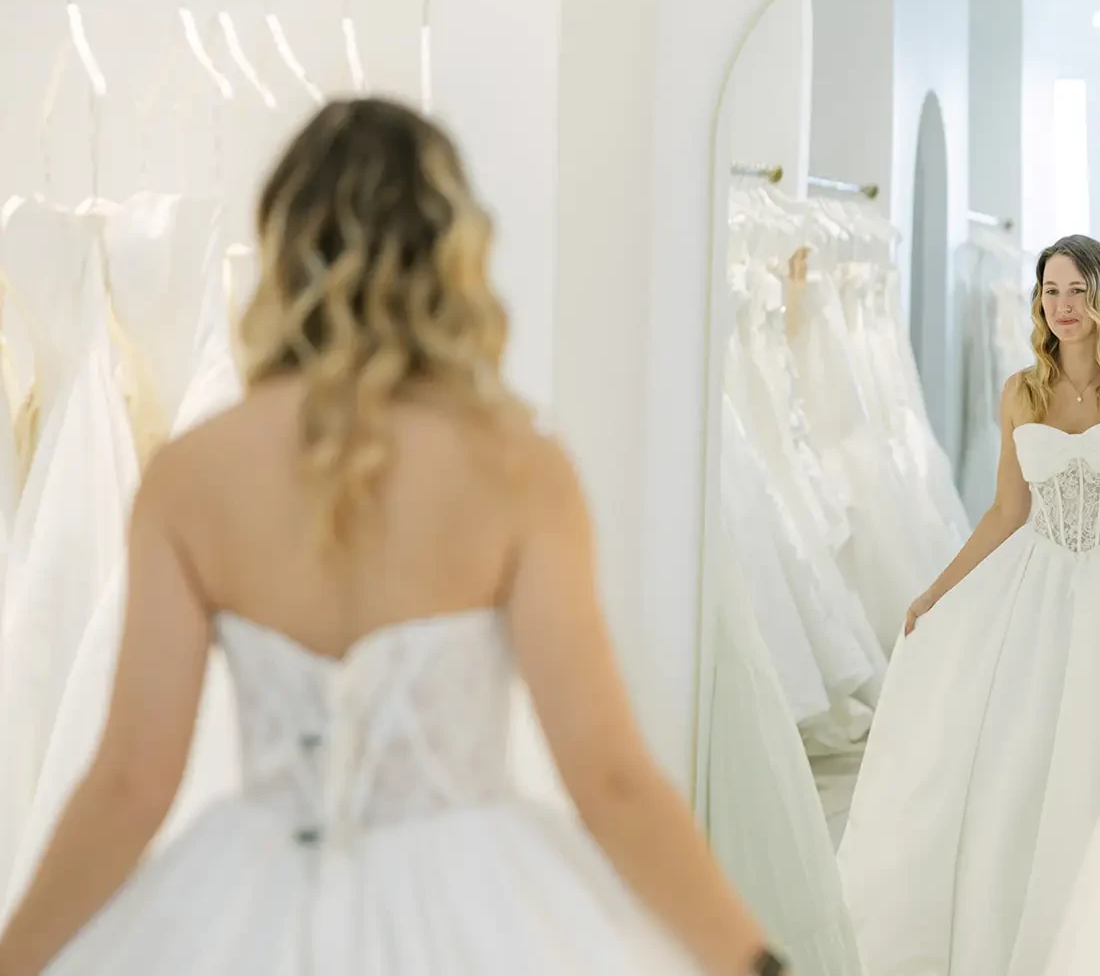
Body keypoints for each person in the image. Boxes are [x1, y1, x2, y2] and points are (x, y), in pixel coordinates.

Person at [0, 98, 786, 976]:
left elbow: (130, 783)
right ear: (455, 254)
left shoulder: (193, 475)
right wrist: (749, 959)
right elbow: (607, 775)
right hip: (475, 907)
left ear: (283, 250)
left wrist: (17, 955)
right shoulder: (519, 469)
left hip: (245, 906)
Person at [835, 234, 1100, 976]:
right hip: (1038, 586)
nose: (1064, 307)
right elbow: (1003, 512)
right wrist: (935, 590)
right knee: (1020, 763)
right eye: (1051, 292)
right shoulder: (1022, 390)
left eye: (1077, 291)